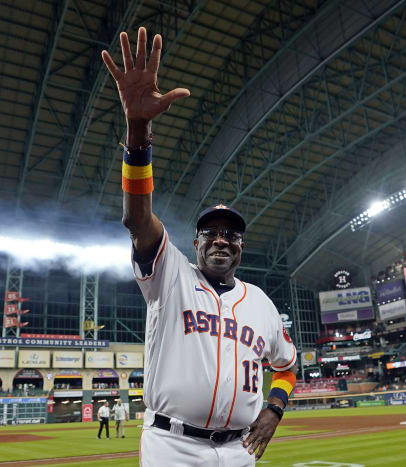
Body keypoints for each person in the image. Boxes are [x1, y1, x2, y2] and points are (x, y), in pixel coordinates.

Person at [101, 27, 298, 466]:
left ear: (241, 247)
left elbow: (286, 366)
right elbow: (137, 219)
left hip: (240, 450)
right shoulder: (171, 274)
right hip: (173, 447)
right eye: (211, 233)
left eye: (232, 235)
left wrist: (274, 409)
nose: (221, 240)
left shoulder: (261, 304)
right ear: (196, 243)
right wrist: (138, 131)